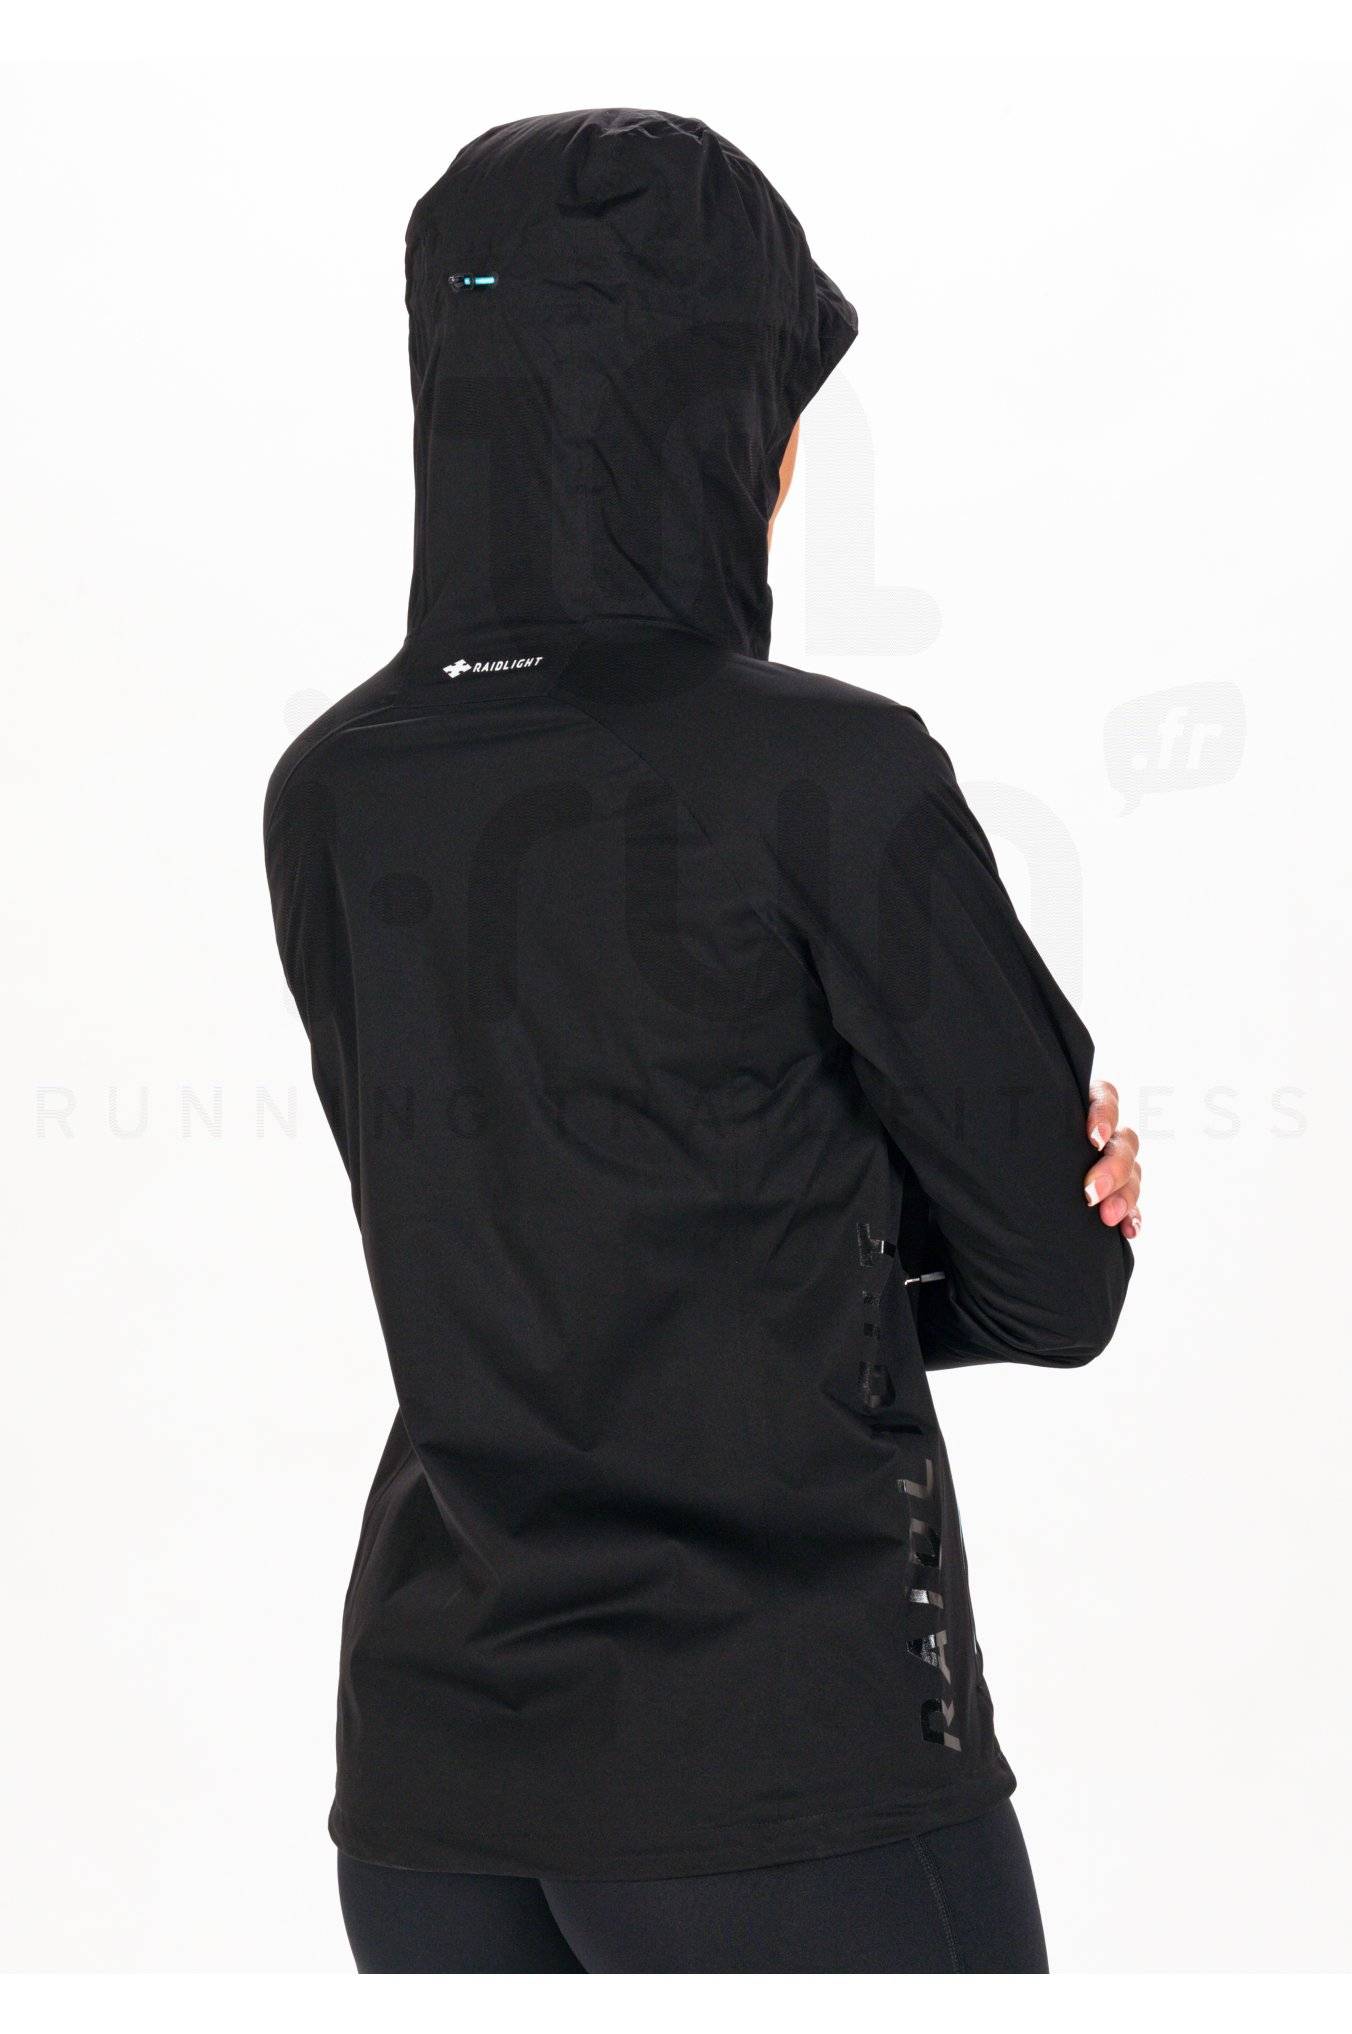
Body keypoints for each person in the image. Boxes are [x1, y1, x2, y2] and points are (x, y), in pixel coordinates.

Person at [264, 108, 1139, 1974]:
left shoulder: (331, 787)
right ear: (734, 419)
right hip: (782, 1776)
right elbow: (1058, 1286)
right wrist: (919, 1235)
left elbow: (531, 1257)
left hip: (430, 1790)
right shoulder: (829, 775)